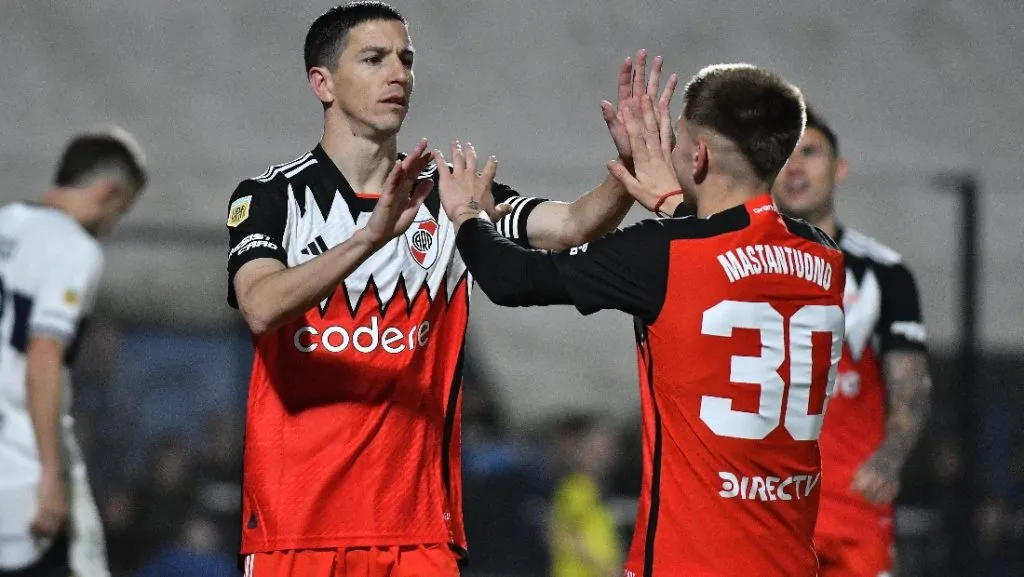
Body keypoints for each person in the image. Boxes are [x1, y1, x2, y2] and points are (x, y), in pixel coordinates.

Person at [224, 2, 676, 575]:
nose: (399, 74)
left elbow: (569, 226)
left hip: (417, 534)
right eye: (374, 58)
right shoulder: (269, 197)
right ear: (323, 83)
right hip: (297, 532)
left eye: (406, 60)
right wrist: (369, 238)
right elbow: (260, 307)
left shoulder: (451, 193)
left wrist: (626, 166)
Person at [434, 63, 846, 576]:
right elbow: (733, 259)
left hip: (686, 563)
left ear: (698, 156)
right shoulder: (823, 257)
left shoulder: (662, 255)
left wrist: (467, 214)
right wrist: (675, 206)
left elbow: (511, 278)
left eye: (677, 140)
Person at [772, 107, 932, 577]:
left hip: (852, 503)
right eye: (784, 155)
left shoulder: (885, 273)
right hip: (761, 505)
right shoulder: (733, 265)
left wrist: (891, 457)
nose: (796, 166)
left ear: (840, 169)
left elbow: (912, 384)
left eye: (810, 152)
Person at [0, 127, 147, 577]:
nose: (111, 225)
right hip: (17, 458)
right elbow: (43, 355)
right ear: (106, 191)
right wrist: (50, 475)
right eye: (119, 211)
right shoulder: (73, 246)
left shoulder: (6, 221)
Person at [548, 412, 623, 577]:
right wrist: (605, 568)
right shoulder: (577, 489)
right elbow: (562, 533)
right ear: (579, 451)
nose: (607, 455)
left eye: (610, 448)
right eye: (598, 449)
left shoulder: (590, 489)